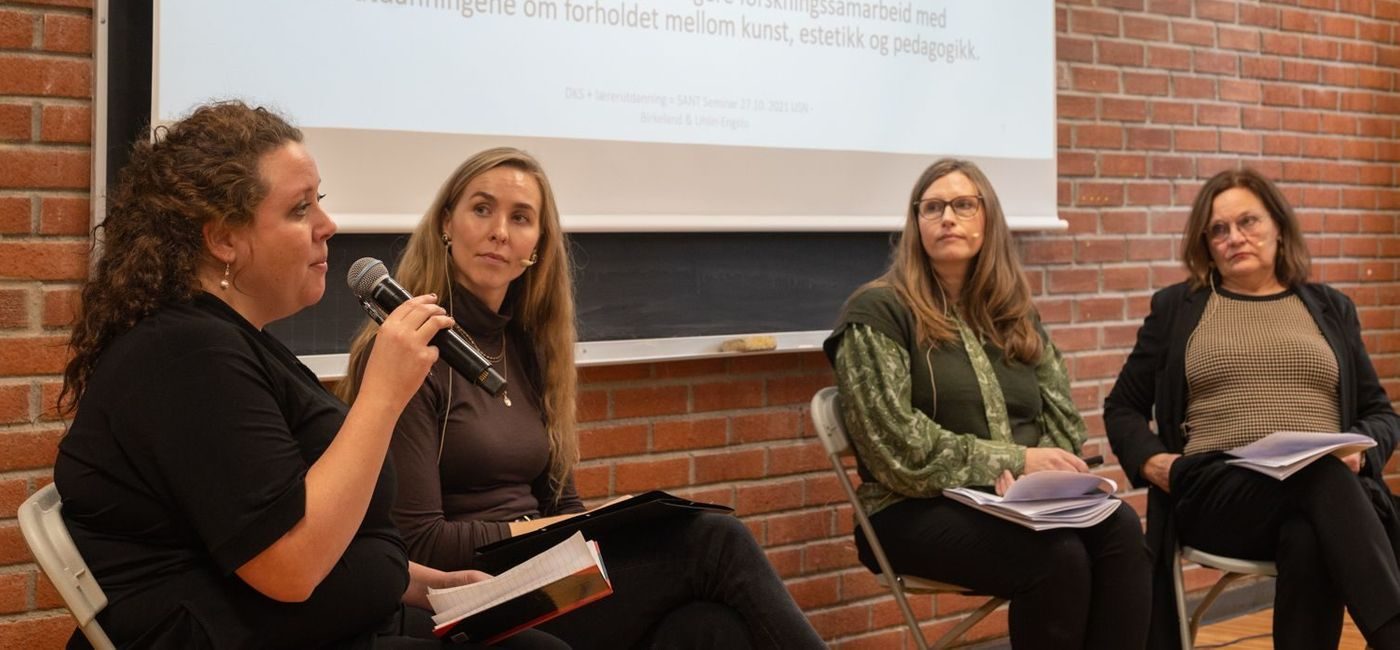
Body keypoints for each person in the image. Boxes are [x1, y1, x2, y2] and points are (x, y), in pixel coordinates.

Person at [52, 102, 566, 649]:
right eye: (300, 210)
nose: (328, 226)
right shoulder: (185, 357)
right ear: (224, 238)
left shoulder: (231, 341)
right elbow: (288, 566)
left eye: (318, 202)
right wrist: (383, 395)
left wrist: (424, 585)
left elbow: (300, 515)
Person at [337, 147, 825, 650]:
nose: (499, 231)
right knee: (717, 543)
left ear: (537, 247)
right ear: (446, 223)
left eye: (520, 218)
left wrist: (600, 524)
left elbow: (565, 503)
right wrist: (554, 527)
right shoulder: (406, 348)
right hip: (467, 592)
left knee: (707, 628)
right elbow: (420, 542)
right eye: (481, 209)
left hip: (544, 572)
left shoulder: (529, 349)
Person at [823, 158, 1152, 649]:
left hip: (1015, 505)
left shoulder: (1012, 312)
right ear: (916, 224)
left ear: (987, 220)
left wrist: (1039, 476)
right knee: (1058, 556)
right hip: (907, 510)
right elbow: (896, 449)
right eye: (932, 207)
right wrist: (1012, 459)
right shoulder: (878, 311)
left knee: (1121, 528)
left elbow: (1060, 419)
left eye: (962, 205)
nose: (947, 218)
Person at [1105, 168, 1400, 649]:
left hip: (1321, 497)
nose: (1234, 238)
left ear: (1279, 227)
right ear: (1206, 242)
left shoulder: (1331, 308)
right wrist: (1153, 462)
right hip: (1218, 491)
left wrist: (1362, 454)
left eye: (1248, 222)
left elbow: (1381, 412)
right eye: (1218, 229)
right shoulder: (1179, 308)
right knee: (1324, 480)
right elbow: (1123, 406)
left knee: (1309, 532)